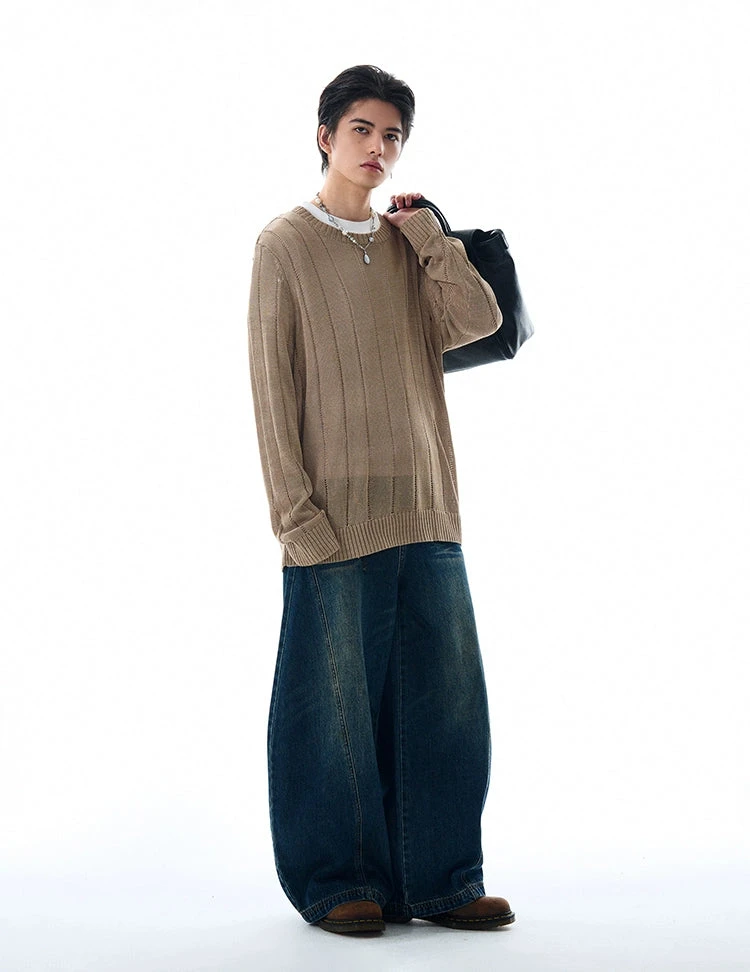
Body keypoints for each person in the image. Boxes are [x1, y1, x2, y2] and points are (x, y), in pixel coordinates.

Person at [246, 64, 515, 936]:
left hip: (426, 506)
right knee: (332, 713)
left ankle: (441, 881)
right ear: (326, 136)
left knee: (446, 706)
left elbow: (479, 321)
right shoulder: (284, 244)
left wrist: (431, 235)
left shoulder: (409, 243)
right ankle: (337, 883)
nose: (378, 146)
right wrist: (295, 516)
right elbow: (272, 386)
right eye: (362, 128)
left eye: (393, 134)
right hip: (332, 518)